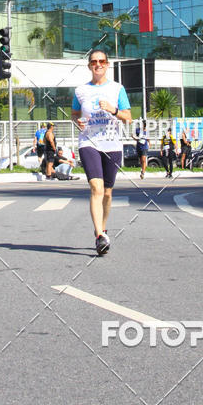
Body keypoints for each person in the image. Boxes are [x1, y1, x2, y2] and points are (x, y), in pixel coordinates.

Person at [71, 49, 132, 256]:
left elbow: (128, 117)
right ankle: (99, 236)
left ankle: (103, 228)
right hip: (88, 142)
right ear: (89, 66)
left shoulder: (117, 89)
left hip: (112, 144)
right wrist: (77, 121)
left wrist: (113, 110)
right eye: (94, 61)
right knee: (96, 187)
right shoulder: (80, 91)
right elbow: (74, 114)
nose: (98, 64)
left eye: (102, 61)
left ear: (107, 65)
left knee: (107, 192)